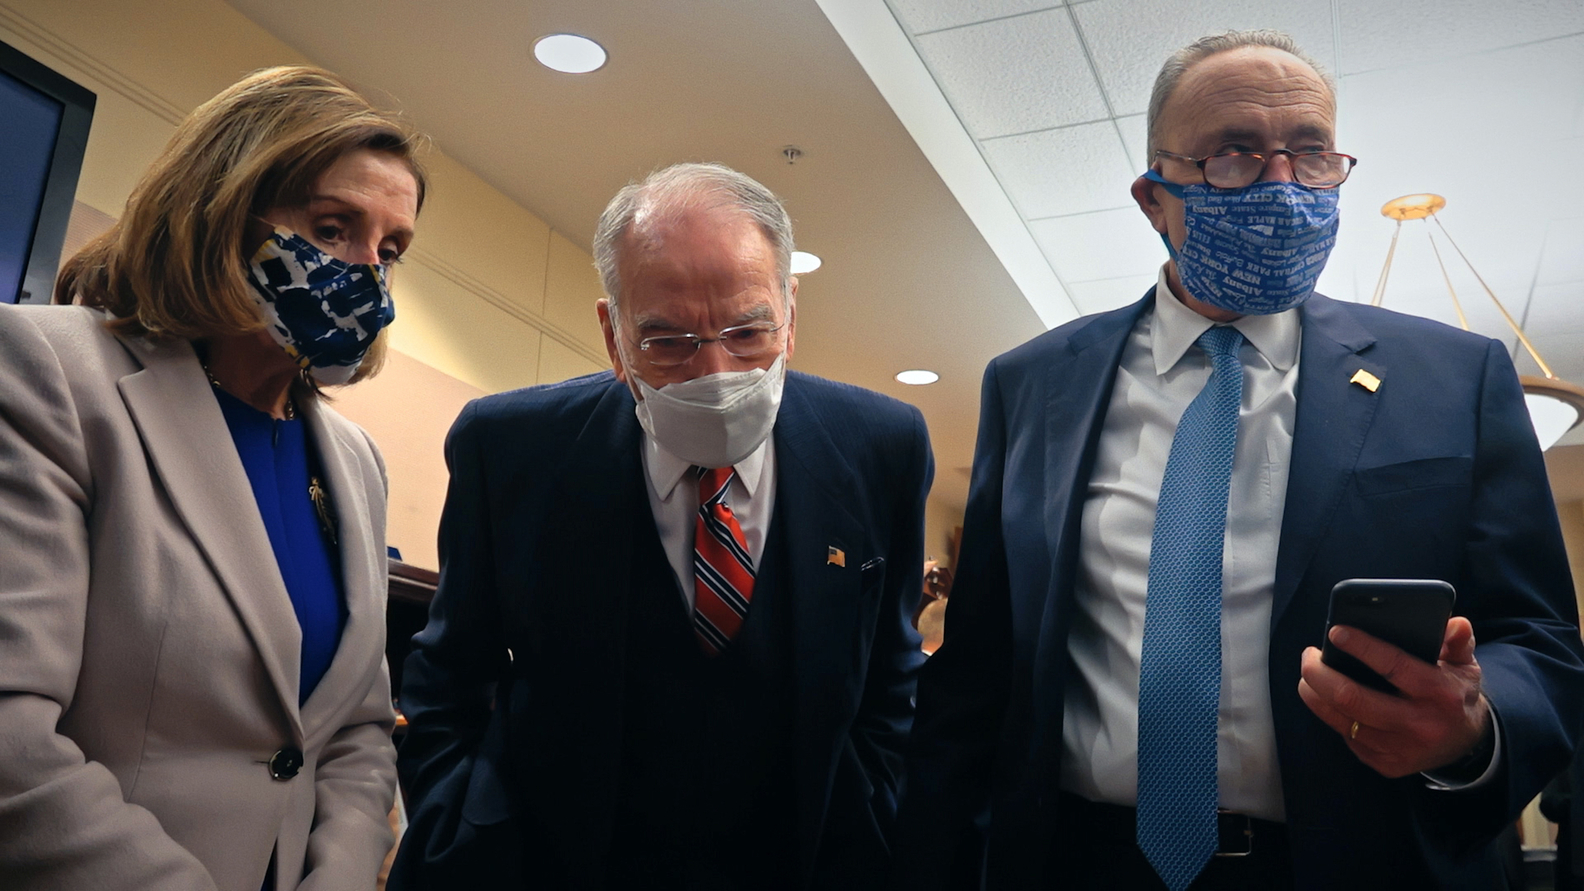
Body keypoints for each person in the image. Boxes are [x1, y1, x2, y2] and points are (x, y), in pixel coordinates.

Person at [892, 30, 1584, 891]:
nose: (1283, 187)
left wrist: (1475, 729)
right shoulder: (1032, 383)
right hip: (1080, 859)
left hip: (1361, 863)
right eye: (1234, 155)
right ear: (1154, 199)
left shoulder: (1454, 377)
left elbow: (1540, 641)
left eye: (1312, 154)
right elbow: (978, 671)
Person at [390, 162, 934, 891]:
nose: (714, 372)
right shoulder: (510, 449)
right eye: (669, 341)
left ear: (790, 314)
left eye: (748, 332)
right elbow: (448, 678)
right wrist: (458, 838)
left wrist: (874, 829)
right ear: (613, 337)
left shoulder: (883, 447)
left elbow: (891, 682)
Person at [0, 66, 426, 890]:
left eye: (390, 250)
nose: (366, 272)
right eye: (333, 227)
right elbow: (11, 736)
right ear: (222, 207)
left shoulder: (355, 462)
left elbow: (358, 732)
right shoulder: (49, 371)